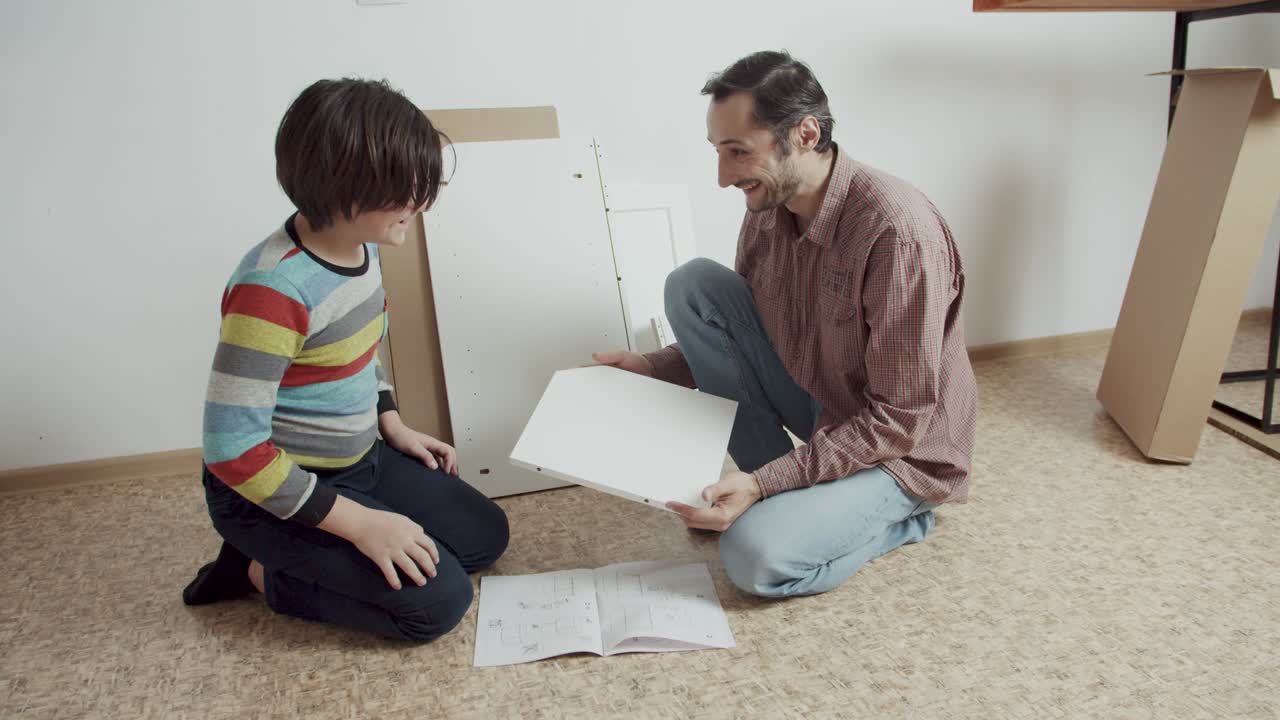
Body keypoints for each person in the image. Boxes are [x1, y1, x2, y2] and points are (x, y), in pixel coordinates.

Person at [594, 51, 977, 598]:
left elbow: (899, 419)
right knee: (692, 284)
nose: (723, 177)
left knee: (754, 559)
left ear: (805, 134)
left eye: (738, 152)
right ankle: (787, 497)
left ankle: (900, 520)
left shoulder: (897, 233)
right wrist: (652, 367)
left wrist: (764, 482)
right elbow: (738, 333)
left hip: (902, 451)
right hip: (828, 408)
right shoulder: (769, 209)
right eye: (718, 152)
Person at [182, 78, 509, 641]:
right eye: (404, 190)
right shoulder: (273, 290)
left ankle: (325, 541)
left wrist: (392, 422)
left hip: (360, 460)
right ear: (343, 188)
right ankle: (257, 571)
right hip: (269, 493)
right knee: (438, 605)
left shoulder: (362, 247)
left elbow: (357, 353)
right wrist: (359, 525)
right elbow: (231, 450)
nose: (422, 203)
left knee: (485, 536)